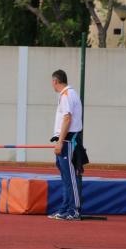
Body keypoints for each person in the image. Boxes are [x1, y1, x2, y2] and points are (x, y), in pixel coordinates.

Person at [48, 69, 88, 221]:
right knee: (65, 177)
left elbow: (67, 118)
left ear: (55, 81)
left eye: (52, 82)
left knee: (70, 177)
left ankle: (74, 210)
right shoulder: (68, 94)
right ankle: (65, 208)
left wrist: (60, 141)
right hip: (64, 140)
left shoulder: (66, 95)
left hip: (67, 141)